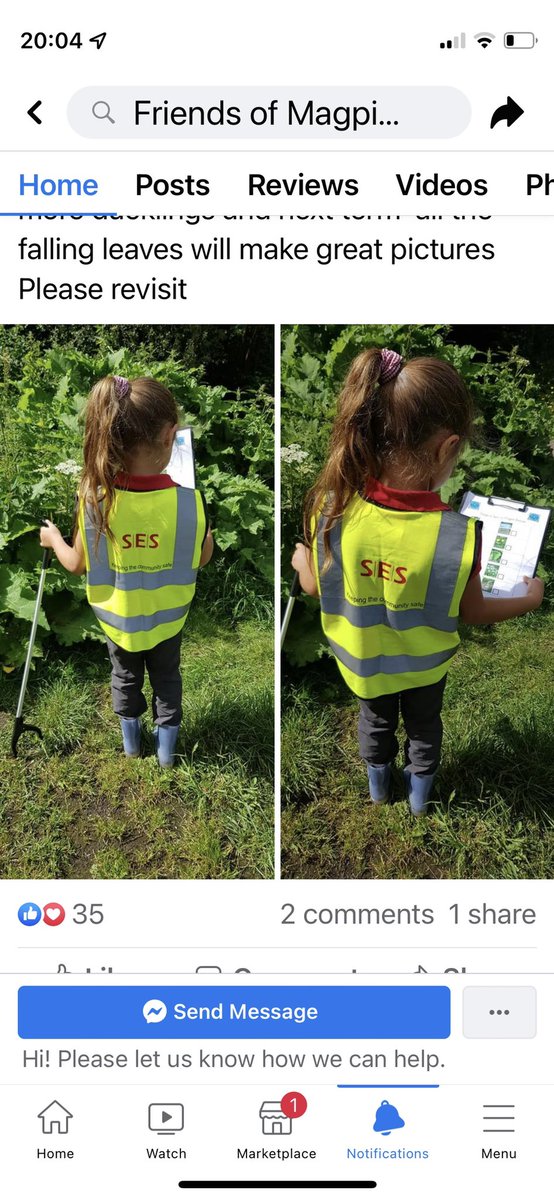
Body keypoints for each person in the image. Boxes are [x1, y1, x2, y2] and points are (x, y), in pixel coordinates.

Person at [292, 348, 544, 814]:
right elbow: (474, 611)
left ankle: (378, 790)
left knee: (375, 722)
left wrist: (301, 558)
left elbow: (312, 586)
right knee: (424, 727)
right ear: (448, 448)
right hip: (424, 666)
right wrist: (530, 597)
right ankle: (420, 804)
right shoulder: (457, 533)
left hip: (364, 661)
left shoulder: (330, 509)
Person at [40, 375, 213, 767]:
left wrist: (53, 539)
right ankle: (167, 755)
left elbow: (76, 564)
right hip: (168, 620)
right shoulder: (190, 503)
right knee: (168, 681)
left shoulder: (95, 501)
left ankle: (132, 748)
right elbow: (202, 557)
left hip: (119, 621)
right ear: (171, 437)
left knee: (125, 678)